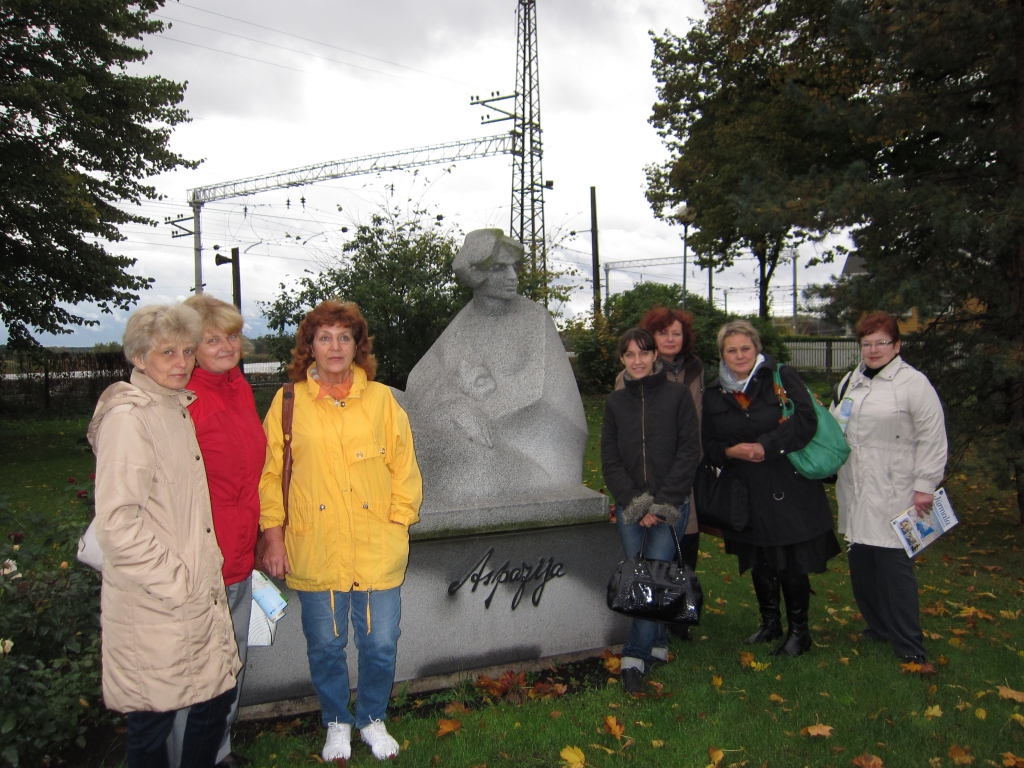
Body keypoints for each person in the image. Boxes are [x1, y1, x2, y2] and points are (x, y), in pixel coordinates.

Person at [259, 300, 422, 762]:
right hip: (316, 545)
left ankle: (371, 717)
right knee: (326, 645)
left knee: (380, 642)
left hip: (375, 546)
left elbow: (405, 468)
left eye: (344, 337)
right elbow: (270, 474)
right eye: (324, 337)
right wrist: (273, 534)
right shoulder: (288, 402)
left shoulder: (382, 400)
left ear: (357, 346)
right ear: (309, 346)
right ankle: (335, 721)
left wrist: (397, 521)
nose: (335, 346)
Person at [88, 304, 240, 768]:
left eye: (187, 351)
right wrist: (177, 581)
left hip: (192, 596)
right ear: (138, 357)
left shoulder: (174, 409)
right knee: (152, 723)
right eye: (167, 352)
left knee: (214, 700)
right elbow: (117, 522)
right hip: (155, 603)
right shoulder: (129, 419)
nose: (181, 362)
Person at [163, 296, 267, 768]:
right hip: (201, 557)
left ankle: (218, 751)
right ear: (191, 345)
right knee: (197, 670)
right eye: (212, 339)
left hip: (240, 552)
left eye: (231, 336)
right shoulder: (183, 398)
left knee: (232, 659)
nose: (227, 346)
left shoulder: (237, 387)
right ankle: (190, 757)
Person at [702, 320, 840, 656]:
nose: (739, 355)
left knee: (789, 560)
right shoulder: (713, 393)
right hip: (745, 490)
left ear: (757, 348)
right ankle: (769, 622)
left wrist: (767, 445)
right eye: (731, 350)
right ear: (722, 355)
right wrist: (730, 452)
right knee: (760, 559)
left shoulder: (782, 377)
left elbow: (805, 419)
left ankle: (799, 632)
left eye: (745, 348)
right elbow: (707, 443)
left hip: (787, 485)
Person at [831, 312, 946, 664]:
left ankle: (910, 645)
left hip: (897, 490)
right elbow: (837, 428)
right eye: (867, 343)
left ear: (897, 345)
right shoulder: (851, 381)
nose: (874, 349)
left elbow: (933, 437)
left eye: (882, 342)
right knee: (863, 564)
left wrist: (925, 485)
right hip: (857, 487)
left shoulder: (914, 384)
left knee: (894, 568)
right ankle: (878, 627)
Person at [601, 328, 701, 693]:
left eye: (643, 353)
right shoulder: (615, 403)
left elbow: (690, 451)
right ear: (623, 360)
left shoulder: (676, 396)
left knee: (650, 577)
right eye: (630, 355)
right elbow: (609, 459)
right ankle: (658, 642)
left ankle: (634, 657)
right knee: (642, 574)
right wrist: (636, 503)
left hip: (671, 504)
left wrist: (661, 504)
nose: (638, 361)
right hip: (631, 506)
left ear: (655, 356)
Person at [614, 307, 704, 600]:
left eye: (675, 333)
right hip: (643, 485)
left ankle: (675, 613)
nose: (669, 339)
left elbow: (696, 431)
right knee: (650, 562)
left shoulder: (694, 371)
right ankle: (656, 628)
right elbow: (619, 444)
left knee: (680, 550)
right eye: (663, 333)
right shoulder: (628, 381)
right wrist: (639, 502)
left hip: (682, 476)